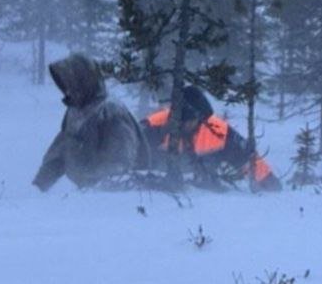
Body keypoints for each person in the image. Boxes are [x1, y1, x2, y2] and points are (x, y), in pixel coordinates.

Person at [33, 54, 147, 191]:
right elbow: (61, 149)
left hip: (121, 195)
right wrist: (39, 185)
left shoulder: (111, 112)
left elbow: (120, 164)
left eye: (72, 84)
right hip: (88, 193)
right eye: (66, 85)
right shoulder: (76, 111)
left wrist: (96, 189)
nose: (68, 90)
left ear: (83, 82)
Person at [142, 84, 281, 191]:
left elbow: (245, 157)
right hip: (156, 188)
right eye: (184, 120)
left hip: (204, 195)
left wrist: (268, 180)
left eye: (193, 120)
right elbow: (133, 144)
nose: (188, 125)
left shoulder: (217, 131)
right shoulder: (155, 124)